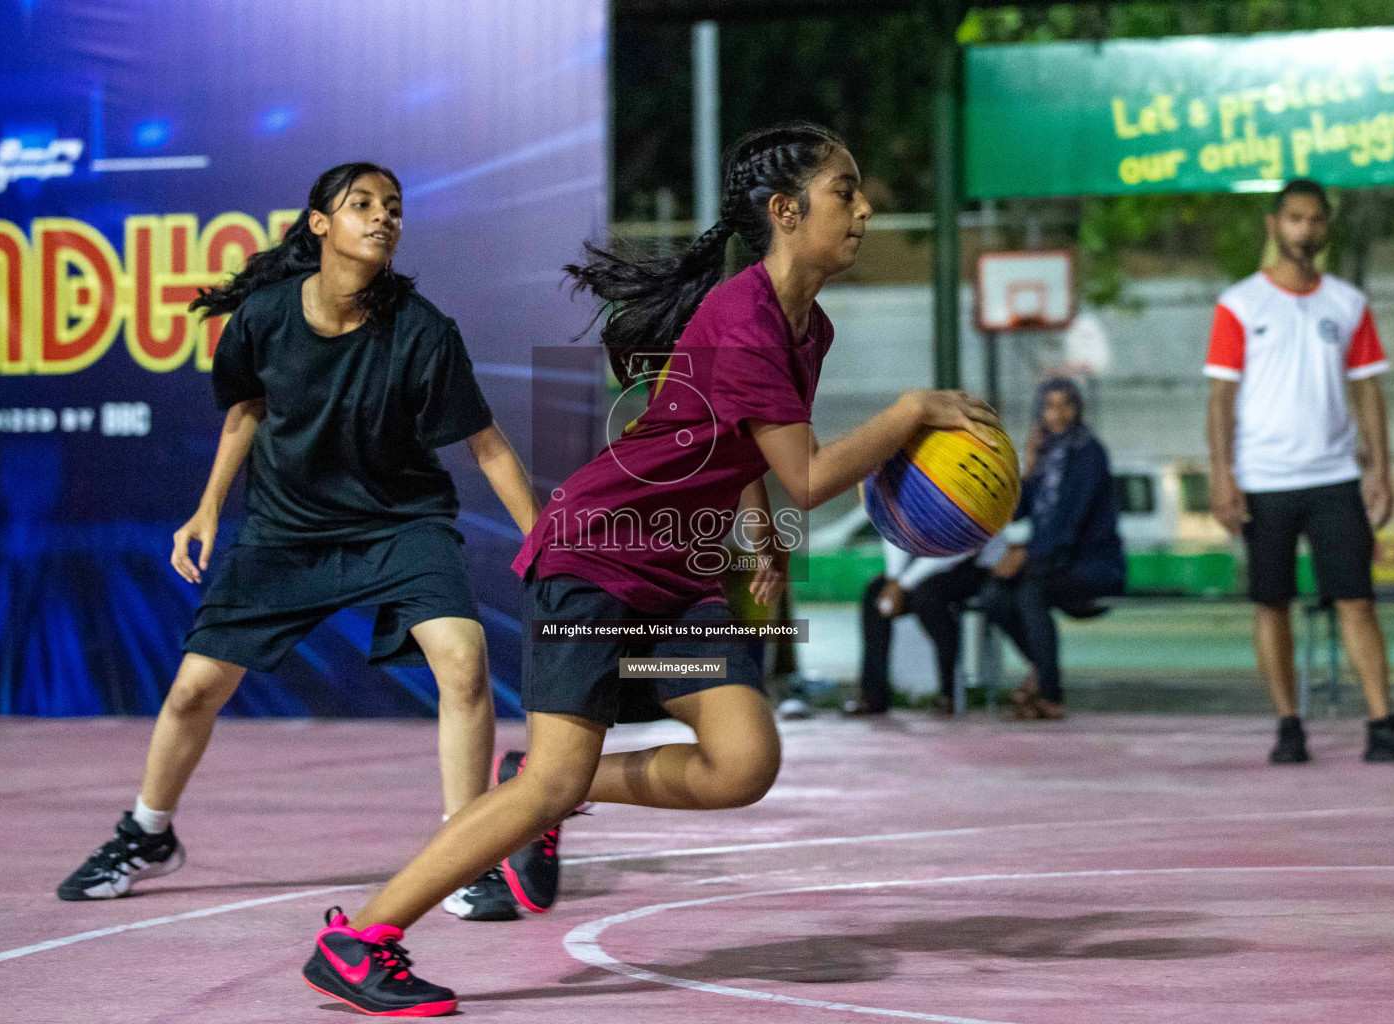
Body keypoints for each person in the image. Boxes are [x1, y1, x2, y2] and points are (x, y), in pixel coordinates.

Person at [298, 123, 1005, 1017]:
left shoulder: (804, 325)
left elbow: (748, 449)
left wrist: (758, 539)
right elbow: (812, 473)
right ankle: (361, 938)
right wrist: (909, 411)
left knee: (742, 762)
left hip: (680, 577)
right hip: (599, 556)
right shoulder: (744, 317)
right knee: (557, 776)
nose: (864, 209)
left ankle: (544, 787)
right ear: (786, 212)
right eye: (847, 191)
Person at [56, 163, 540, 924]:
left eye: (394, 209)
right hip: (288, 530)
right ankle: (146, 834)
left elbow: (487, 445)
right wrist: (207, 508)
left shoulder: (421, 329)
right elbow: (246, 411)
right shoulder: (266, 317)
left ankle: (464, 851)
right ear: (320, 223)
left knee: (463, 660)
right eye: (363, 205)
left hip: (400, 524)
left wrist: (541, 538)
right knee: (193, 690)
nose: (383, 219)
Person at [1205, 177, 1394, 765]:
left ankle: (1382, 724)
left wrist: (1380, 471)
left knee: (1357, 599)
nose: (1304, 229)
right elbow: (1220, 400)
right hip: (1263, 479)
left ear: (1325, 227)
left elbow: (1369, 393)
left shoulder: (1348, 304)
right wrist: (1222, 475)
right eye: (1294, 218)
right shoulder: (1239, 304)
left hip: (1334, 477)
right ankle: (1289, 726)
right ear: (1274, 225)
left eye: (1315, 219)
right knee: (1271, 604)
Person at [981, 377, 1125, 721]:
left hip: (1092, 564)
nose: (1057, 414)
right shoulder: (1046, 455)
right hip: (1052, 562)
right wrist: (1028, 468)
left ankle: (1050, 695)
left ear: (1078, 409)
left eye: (1066, 405)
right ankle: (1039, 671)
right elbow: (1016, 510)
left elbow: (1070, 523)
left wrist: (1024, 554)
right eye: (1049, 406)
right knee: (994, 596)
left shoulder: (1089, 452)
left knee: (1031, 591)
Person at [854, 534, 1009, 715]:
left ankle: (948, 693)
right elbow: (894, 533)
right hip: (921, 568)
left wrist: (903, 584)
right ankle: (873, 696)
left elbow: (958, 547)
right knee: (875, 593)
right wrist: (893, 579)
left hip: (974, 563)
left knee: (928, 599)